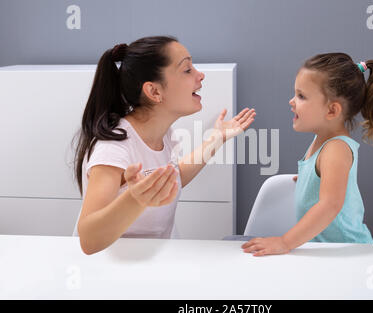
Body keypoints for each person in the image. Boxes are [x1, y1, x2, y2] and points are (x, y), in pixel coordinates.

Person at [72, 36, 256, 255]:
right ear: (154, 92)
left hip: (155, 263)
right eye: (187, 70)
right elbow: (89, 239)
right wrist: (135, 199)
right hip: (115, 273)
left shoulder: (164, 134)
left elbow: (172, 177)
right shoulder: (114, 147)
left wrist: (217, 139)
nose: (200, 75)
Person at [242, 53, 373, 256]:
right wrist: (308, 179)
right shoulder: (320, 140)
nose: (291, 101)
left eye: (301, 96)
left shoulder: (336, 148)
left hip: (347, 252)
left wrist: (285, 242)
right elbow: (324, 178)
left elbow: (330, 204)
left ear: (331, 111)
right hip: (326, 251)